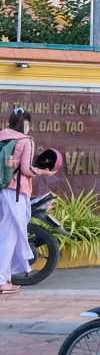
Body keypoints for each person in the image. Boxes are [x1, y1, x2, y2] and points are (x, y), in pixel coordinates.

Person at [0, 109, 38, 294]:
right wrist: (43, 172)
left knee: (5, 234)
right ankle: (1, 281)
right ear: (25, 123)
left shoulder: (1, 137)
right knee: (10, 236)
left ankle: (6, 278)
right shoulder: (26, 140)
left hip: (2, 191)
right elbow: (26, 168)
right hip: (16, 192)